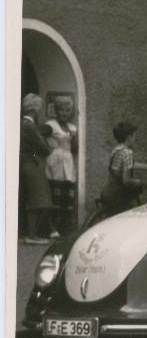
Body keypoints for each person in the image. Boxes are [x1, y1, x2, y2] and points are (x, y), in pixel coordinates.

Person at [100, 122, 147, 218]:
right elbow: (126, 180)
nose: (135, 138)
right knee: (134, 212)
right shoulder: (127, 153)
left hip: (110, 189)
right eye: (134, 136)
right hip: (119, 193)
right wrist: (138, 182)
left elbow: (130, 165)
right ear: (129, 137)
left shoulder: (116, 150)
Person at [19, 94, 54, 244]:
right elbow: (44, 148)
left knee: (36, 200)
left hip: (31, 163)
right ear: (35, 108)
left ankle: (31, 233)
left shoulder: (25, 124)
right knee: (37, 201)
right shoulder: (29, 125)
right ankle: (32, 235)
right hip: (32, 164)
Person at [44, 95, 78, 237]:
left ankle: (63, 230)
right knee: (55, 197)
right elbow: (37, 140)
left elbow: (75, 148)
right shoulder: (50, 125)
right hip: (55, 164)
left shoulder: (73, 127)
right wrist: (49, 148)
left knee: (68, 199)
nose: (65, 113)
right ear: (56, 111)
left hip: (68, 163)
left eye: (68, 110)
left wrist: (74, 140)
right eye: (62, 110)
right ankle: (52, 229)